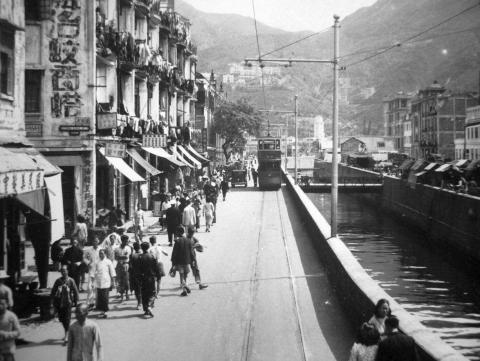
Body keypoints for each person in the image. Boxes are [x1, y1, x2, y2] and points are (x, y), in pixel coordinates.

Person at [51, 265, 79, 344]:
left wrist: (76, 301)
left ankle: (66, 335)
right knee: (62, 319)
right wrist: (52, 301)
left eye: (65, 270)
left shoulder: (71, 280)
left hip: (68, 303)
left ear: (67, 271)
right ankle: (68, 332)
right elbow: (53, 291)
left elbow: (75, 291)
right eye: (62, 271)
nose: (63, 272)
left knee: (67, 319)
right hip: (59, 303)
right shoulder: (58, 281)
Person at [138, 242, 160, 317]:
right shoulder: (152, 256)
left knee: (144, 294)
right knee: (152, 293)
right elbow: (156, 267)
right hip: (151, 277)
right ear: (148, 248)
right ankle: (150, 306)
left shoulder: (140, 257)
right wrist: (158, 276)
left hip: (143, 278)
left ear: (141, 248)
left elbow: (138, 269)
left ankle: (146, 309)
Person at [171, 226, 193, 296]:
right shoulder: (188, 240)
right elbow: (191, 252)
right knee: (185, 275)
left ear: (178, 233)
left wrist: (173, 263)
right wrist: (192, 260)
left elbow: (174, 253)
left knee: (181, 275)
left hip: (179, 262)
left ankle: (184, 287)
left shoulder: (177, 241)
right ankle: (185, 287)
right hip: (187, 261)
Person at [94, 249, 116, 318]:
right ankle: (102, 311)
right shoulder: (97, 262)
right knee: (100, 297)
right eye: (100, 253)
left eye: (102, 253)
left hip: (106, 282)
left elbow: (112, 272)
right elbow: (94, 271)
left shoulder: (108, 262)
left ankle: (105, 311)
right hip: (98, 282)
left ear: (105, 254)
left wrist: (113, 282)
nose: (101, 255)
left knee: (105, 297)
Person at [83, 236, 101, 310]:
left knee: (97, 288)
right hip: (91, 270)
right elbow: (84, 257)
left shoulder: (100, 249)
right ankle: (90, 303)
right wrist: (88, 263)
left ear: (98, 242)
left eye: (96, 241)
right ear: (92, 242)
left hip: (99, 271)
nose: (95, 243)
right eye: (94, 241)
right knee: (90, 287)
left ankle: (96, 304)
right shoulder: (89, 249)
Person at [114, 235, 132, 302]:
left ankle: (127, 294)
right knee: (120, 281)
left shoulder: (128, 248)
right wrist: (123, 256)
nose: (127, 242)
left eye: (127, 240)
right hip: (119, 265)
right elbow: (116, 257)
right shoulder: (117, 248)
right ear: (123, 241)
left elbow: (127, 257)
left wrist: (121, 257)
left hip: (126, 265)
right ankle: (121, 296)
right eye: (126, 241)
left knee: (126, 281)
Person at [129, 242, 142, 310]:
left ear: (134, 248)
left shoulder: (132, 256)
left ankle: (139, 303)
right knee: (142, 289)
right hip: (143, 275)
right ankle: (141, 302)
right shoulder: (143, 254)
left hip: (135, 275)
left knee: (137, 290)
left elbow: (130, 267)